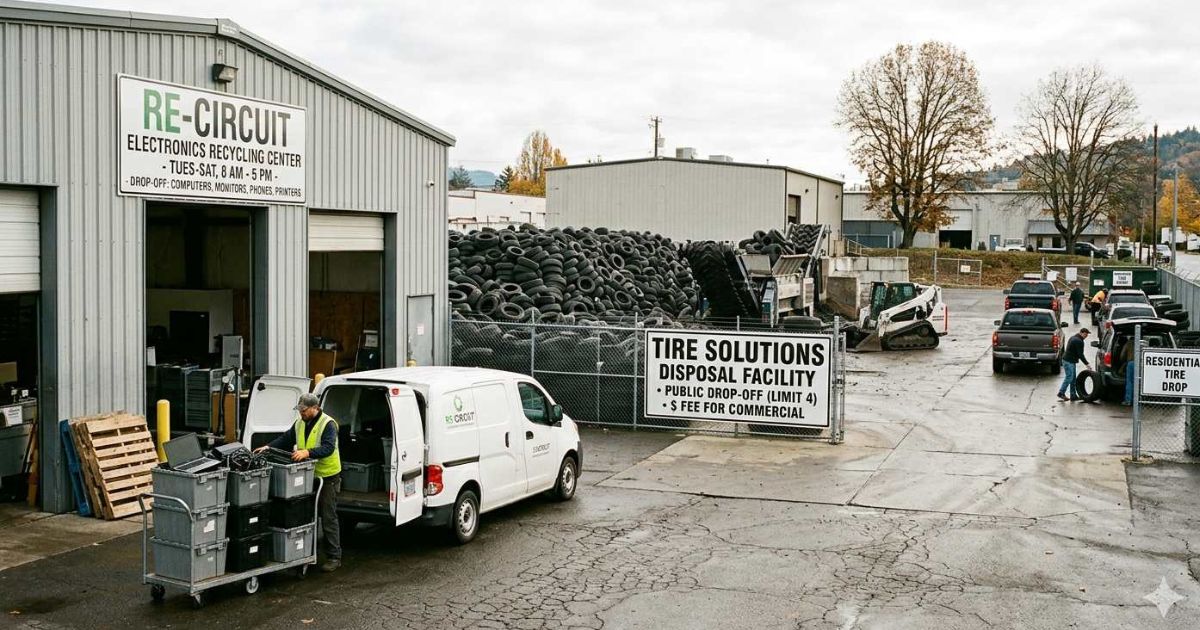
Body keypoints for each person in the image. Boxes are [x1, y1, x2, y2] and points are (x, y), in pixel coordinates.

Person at [255, 393, 342, 572]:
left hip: (327, 477)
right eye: (300, 410)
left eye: (304, 410)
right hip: (308, 475)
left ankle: (334, 557)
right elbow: (286, 439)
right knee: (306, 515)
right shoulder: (300, 423)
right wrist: (269, 447)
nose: (301, 413)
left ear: (315, 408)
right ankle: (307, 552)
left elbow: (328, 448)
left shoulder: (328, 424)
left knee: (328, 517)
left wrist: (307, 452)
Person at [1058, 328, 1092, 402]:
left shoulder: (1074, 337)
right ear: (1081, 333)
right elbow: (1080, 354)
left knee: (1073, 379)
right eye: (1085, 334)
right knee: (1069, 377)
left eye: (1087, 334)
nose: (1086, 336)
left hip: (1069, 361)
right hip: (1068, 361)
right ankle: (1061, 393)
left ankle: (1073, 395)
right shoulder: (1078, 341)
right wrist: (1087, 364)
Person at [1118, 338, 1136, 406]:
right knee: (1138, 382)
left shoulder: (1129, 343)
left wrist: (1123, 362)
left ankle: (1128, 400)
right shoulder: (1142, 343)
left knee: (1129, 382)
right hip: (1141, 364)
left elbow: (1122, 355)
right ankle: (1137, 400)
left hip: (1131, 363)